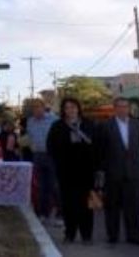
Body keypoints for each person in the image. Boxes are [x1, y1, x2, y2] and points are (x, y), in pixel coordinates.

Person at [47, 98, 96, 245]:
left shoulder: (88, 124)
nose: (70, 110)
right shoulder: (58, 126)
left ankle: (86, 235)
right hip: (66, 172)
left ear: (78, 108)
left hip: (86, 171)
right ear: (63, 110)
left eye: (73, 107)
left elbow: (97, 145)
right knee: (69, 204)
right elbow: (51, 147)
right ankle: (70, 234)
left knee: (86, 205)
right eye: (67, 108)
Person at [98, 97, 139, 246]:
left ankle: (134, 235)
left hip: (133, 173)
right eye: (119, 106)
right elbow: (101, 150)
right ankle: (113, 235)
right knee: (112, 206)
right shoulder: (105, 125)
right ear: (114, 108)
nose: (122, 109)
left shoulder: (137, 124)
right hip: (113, 173)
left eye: (125, 106)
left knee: (134, 207)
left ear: (129, 108)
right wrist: (104, 170)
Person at [26, 98, 60, 226]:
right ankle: (43, 213)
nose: (36, 110)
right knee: (40, 187)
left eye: (38, 107)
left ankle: (60, 214)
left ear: (43, 107)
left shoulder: (53, 119)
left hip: (52, 155)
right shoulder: (31, 121)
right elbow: (30, 137)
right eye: (33, 108)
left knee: (54, 185)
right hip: (37, 156)